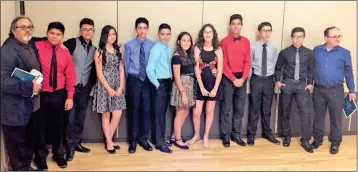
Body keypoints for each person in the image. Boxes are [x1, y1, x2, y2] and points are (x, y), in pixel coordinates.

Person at [1, 16, 41, 171]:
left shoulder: (29, 45)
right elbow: (2, 81)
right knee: (17, 149)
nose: (28, 30)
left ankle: (26, 168)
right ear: (12, 30)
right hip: (14, 109)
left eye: (30, 27)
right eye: (23, 27)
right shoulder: (7, 51)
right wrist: (30, 87)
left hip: (29, 106)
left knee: (27, 145)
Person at [34, 22, 76, 168]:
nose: (55, 36)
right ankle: (40, 157)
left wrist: (70, 97)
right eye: (52, 33)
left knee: (59, 126)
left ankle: (59, 154)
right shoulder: (37, 46)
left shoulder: (65, 52)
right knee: (40, 127)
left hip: (59, 94)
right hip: (40, 94)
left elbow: (70, 76)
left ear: (62, 36)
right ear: (47, 33)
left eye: (58, 34)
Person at [311, 26, 356, 154]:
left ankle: (335, 142)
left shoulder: (345, 53)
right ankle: (317, 139)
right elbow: (311, 68)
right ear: (326, 38)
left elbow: (348, 72)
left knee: (335, 118)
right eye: (334, 36)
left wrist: (352, 90)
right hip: (318, 89)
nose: (337, 39)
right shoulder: (317, 50)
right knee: (318, 116)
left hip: (336, 90)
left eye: (339, 36)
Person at [275, 27, 314, 153]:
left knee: (305, 113)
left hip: (302, 85)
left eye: (300, 36)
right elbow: (278, 68)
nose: (298, 39)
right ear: (292, 37)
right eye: (295, 36)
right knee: (285, 111)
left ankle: (306, 139)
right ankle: (287, 136)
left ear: (303, 38)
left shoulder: (309, 53)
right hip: (288, 84)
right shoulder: (284, 52)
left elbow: (311, 69)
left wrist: (310, 84)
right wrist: (279, 82)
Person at [63, 18, 96, 161]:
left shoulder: (94, 49)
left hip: (84, 89)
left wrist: (90, 85)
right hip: (70, 88)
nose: (88, 32)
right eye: (85, 29)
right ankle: (68, 149)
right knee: (69, 119)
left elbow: (94, 70)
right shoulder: (71, 43)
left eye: (91, 29)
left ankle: (77, 143)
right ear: (80, 31)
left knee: (80, 118)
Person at [187, 24, 223, 148]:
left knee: (209, 111)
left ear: (214, 34)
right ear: (202, 34)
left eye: (210, 32)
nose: (208, 34)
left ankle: (206, 135)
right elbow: (196, 68)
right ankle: (196, 134)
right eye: (206, 32)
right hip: (200, 83)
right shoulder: (198, 48)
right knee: (196, 112)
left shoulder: (218, 49)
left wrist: (215, 88)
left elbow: (220, 70)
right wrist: (201, 87)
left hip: (213, 84)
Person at [92, 25, 126, 154]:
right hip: (104, 85)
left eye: (114, 34)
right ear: (104, 36)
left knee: (117, 114)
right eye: (109, 34)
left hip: (117, 84)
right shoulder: (100, 51)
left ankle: (108, 140)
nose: (112, 37)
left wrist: (120, 86)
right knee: (106, 114)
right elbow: (99, 73)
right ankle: (109, 142)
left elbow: (121, 69)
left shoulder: (118, 50)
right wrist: (109, 89)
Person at [124, 17, 155, 154]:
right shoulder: (129, 45)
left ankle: (143, 139)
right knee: (134, 110)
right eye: (139, 28)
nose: (142, 30)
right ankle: (133, 141)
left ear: (147, 29)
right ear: (136, 29)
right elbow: (125, 66)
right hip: (134, 80)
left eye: (144, 28)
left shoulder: (152, 45)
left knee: (146, 110)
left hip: (147, 81)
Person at [247, 22, 280, 145]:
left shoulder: (274, 47)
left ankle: (267, 133)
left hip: (269, 80)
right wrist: (251, 79)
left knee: (267, 108)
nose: (267, 33)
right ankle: (251, 135)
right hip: (256, 79)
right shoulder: (253, 47)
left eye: (269, 30)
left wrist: (275, 79)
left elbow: (275, 64)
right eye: (264, 30)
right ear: (259, 32)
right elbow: (249, 64)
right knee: (254, 108)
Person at [219, 14, 250, 147]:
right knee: (226, 107)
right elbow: (223, 63)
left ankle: (236, 134)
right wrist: (233, 78)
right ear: (230, 25)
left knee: (239, 108)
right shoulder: (224, 41)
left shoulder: (246, 41)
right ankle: (225, 136)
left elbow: (248, 61)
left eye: (238, 23)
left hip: (242, 79)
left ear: (241, 25)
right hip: (228, 77)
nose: (236, 26)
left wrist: (242, 78)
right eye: (233, 24)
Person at [146, 23, 173, 153]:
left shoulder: (167, 47)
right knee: (159, 114)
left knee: (161, 113)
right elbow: (149, 69)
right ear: (158, 35)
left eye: (168, 34)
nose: (165, 36)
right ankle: (160, 143)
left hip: (167, 82)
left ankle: (158, 139)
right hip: (159, 84)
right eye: (162, 34)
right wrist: (157, 84)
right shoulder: (156, 49)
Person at [170, 32, 196, 150]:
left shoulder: (188, 55)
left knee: (185, 112)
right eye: (184, 40)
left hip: (189, 85)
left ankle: (174, 136)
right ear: (178, 42)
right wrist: (183, 93)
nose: (186, 43)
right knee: (180, 113)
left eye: (188, 40)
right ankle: (178, 140)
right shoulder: (177, 56)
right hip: (181, 86)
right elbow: (177, 76)